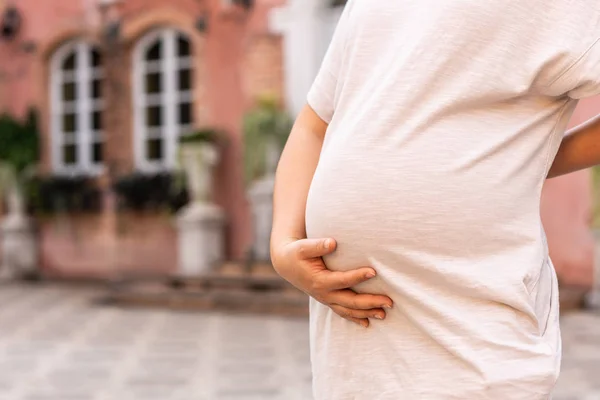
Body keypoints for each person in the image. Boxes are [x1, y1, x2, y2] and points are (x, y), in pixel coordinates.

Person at [270, 1, 600, 399]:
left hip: (469, 336)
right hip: (353, 351)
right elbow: (314, 124)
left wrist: (529, 159)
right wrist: (282, 244)